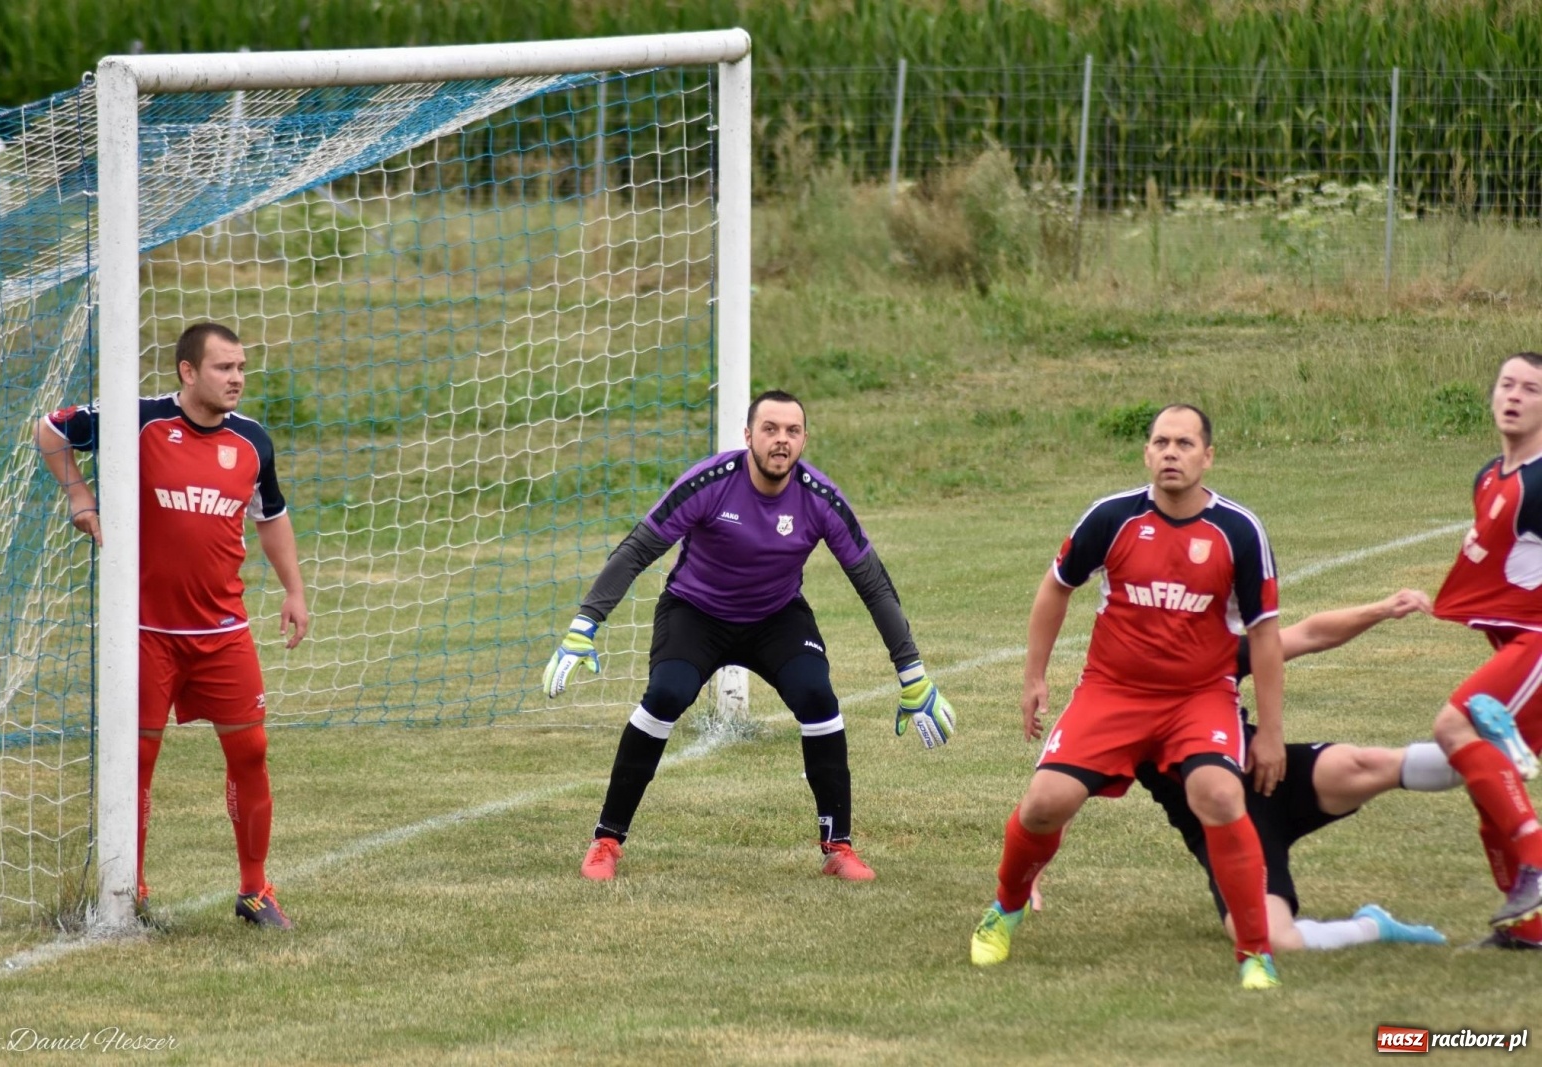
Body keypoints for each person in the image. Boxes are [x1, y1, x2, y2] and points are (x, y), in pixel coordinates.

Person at [541, 389, 955, 883]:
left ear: (803, 440)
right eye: (770, 429)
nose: (781, 441)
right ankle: (606, 840)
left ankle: (838, 847)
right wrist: (584, 626)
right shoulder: (710, 482)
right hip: (696, 612)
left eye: (792, 431)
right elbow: (637, 550)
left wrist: (912, 674)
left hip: (776, 617)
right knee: (666, 694)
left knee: (818, 697)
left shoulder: (819, 498)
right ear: (748, 436)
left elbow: (872, 583)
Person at [970, 403, 1286, 990]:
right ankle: (1005, 908)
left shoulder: (1239, 531)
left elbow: (1265, 634)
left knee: (1218, 793)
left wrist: (1269, 730)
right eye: (1161, 442)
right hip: (1112, 693)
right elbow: (1055, 588)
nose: (1172, 452)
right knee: (1044, 803)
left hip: (1200, 697)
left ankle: (1255, 951)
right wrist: (1034, 678)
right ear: (1146, 453)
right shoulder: (1112, 517)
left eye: (1185, 444)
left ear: (1207, 456)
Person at [35, 322, 309, 928]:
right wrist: (80, 497)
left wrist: (294, 589)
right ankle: (126, 893)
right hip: (145, 632)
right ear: (188, 372)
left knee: (252, 750)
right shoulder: (139, 419)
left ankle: (255, 891)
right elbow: (50, 429)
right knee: (135, 759)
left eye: (240, 367)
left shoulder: (252, 441)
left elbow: (272, 516)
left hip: (222, 631)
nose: (236, 378)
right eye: (223, 367)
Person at [1034, 590, 1462, 951]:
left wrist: (1384, 608)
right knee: (1274, 941)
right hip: (1224, 830)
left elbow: (1308, 634)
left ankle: (1500, 755)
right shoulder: (1114, 705)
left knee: (1369, 763)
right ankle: (1373, 925)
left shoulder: (1211, 657)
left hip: (1275, 777)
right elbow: (1066, 794)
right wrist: (1033, 872)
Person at [1428, 350, 1542, 949]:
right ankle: (1530, 929)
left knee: (1454, 725)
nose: (1514, 395)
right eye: (1506, 383)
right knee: (1488, 786)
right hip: (1519, 644)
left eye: (1530, 387)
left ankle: (1537, 859)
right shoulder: (1489, 476)